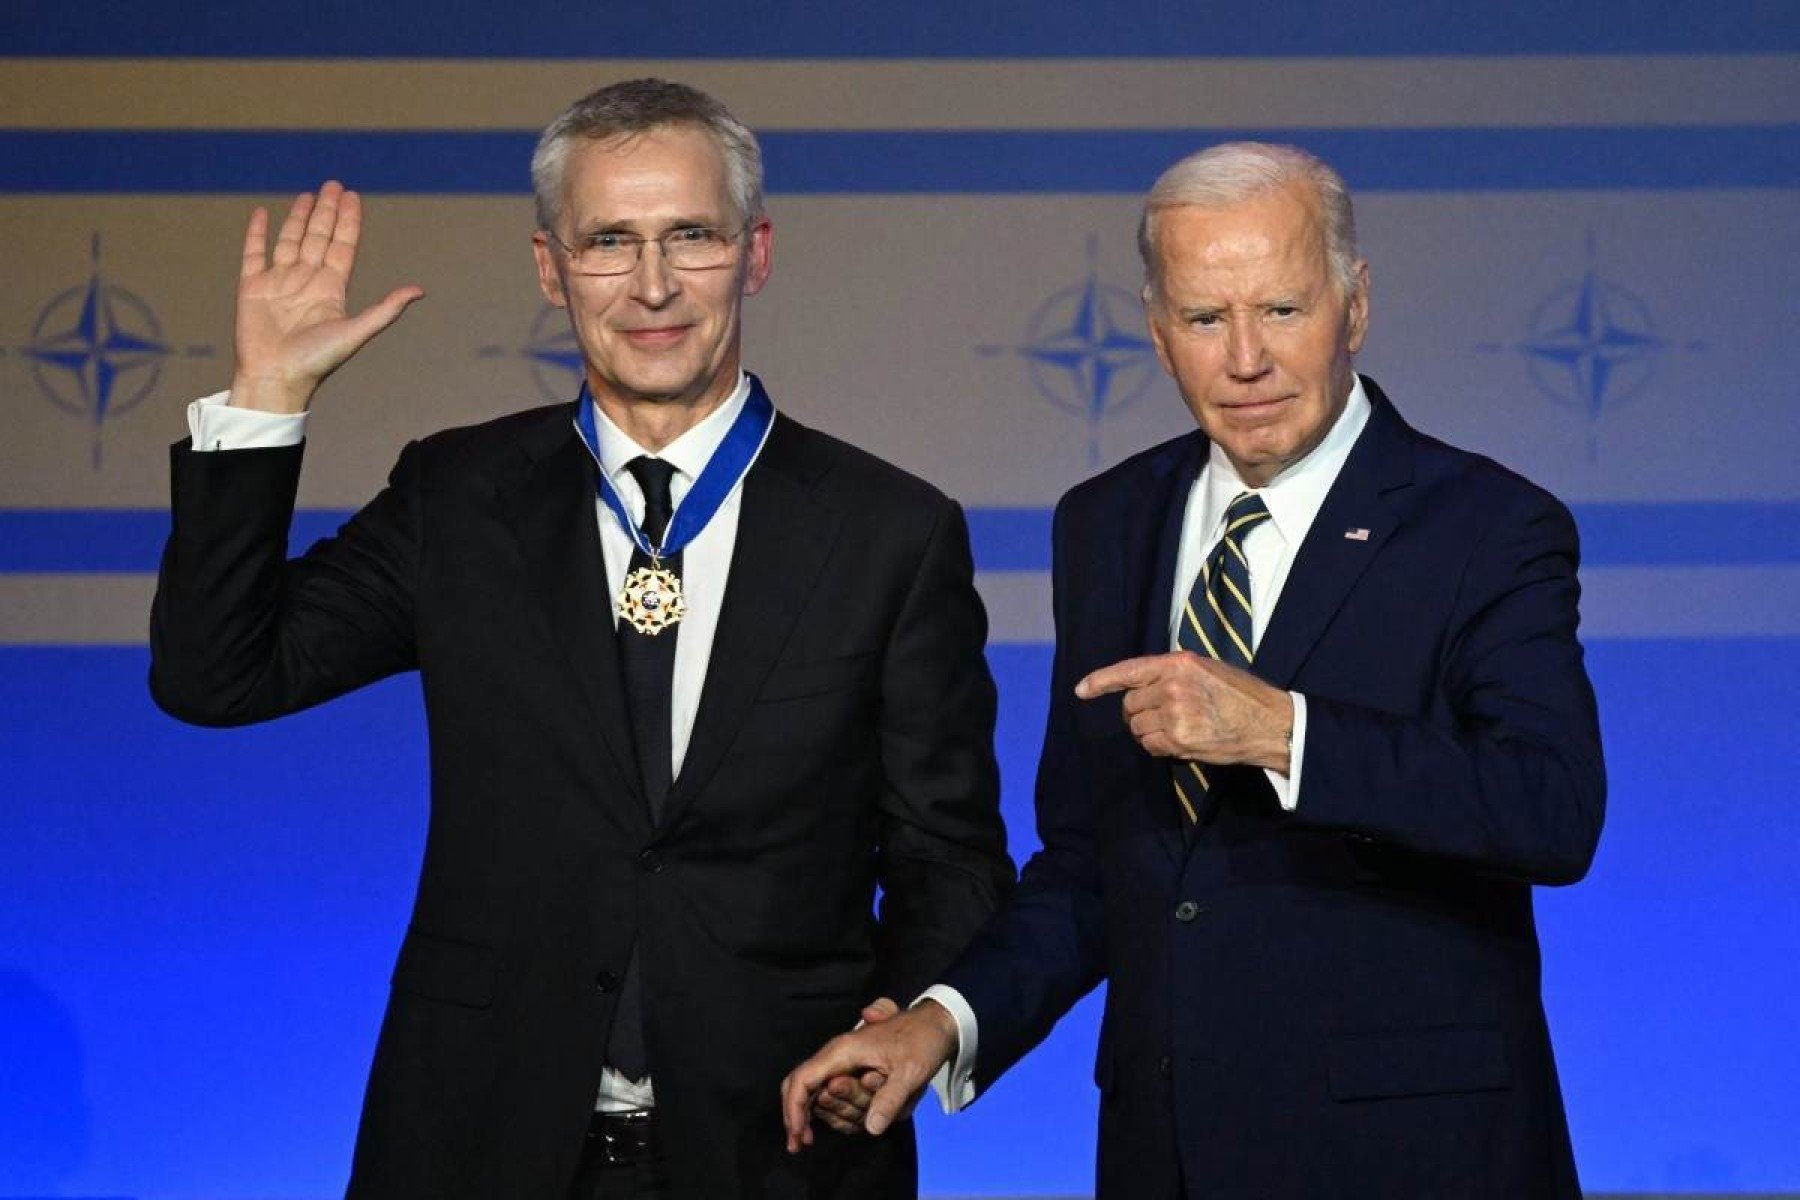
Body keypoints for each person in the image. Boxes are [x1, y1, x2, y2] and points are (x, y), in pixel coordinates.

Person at [149, 78, 1013, 1200]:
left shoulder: (890, 531)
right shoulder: (461, 498)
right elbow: (215, 675)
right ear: (551, 269)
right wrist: (267, 395)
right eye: (608, 242)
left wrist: (906, 1017)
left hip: (782, 1153)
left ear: (754, 253)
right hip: (477, 1145)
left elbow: (950, 856)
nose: (652, 285)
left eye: (690, 236)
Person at [781, 141, 1605, 1200]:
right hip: (1164, 1150)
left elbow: (1549, 807)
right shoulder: (1106, 523)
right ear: (1158, 329)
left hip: (1411, 1155)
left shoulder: (1487, 526)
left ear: (1355, 305)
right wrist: (940, 1023)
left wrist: (1285, 735)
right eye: (1206, 318)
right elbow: (1094, 860)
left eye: (1283, 310)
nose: (1245, 359)